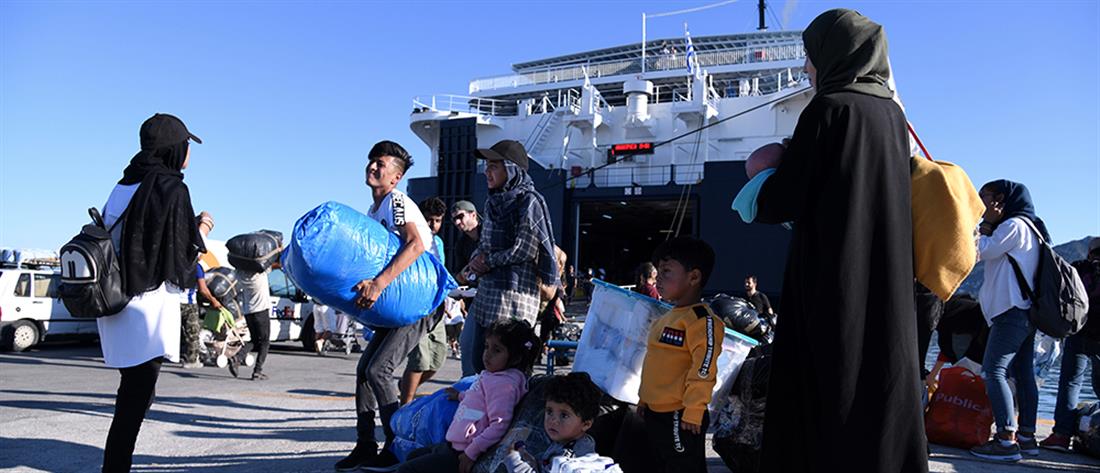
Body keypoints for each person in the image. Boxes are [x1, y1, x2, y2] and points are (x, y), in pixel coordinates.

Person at [748, 10, 928, 472]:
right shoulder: (891, 115)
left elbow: (783, 201)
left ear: (833, 55)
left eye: (810, 58)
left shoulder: (829, 108)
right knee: (877, 375)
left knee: (825, 379)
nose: (807, 68)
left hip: (832, 272)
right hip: (885, 275)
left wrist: (761, 175)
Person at [98, 113, 205, 472]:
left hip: (116, 300)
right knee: (134, 398)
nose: (189, 151)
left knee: (133, 392)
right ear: (174, 148)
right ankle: (115, 468)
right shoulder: (172, 188)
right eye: (187, 144)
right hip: (147, 303)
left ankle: (117, 464)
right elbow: (180, 256)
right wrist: (201, 227)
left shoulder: (123, 184)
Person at [336, 140, 440, 471]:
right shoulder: (373, 211)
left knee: (378, 370)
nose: (373, 166)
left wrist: (379, 283)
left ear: (395, 178)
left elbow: (416, 244)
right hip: (399, 301)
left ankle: (397, 446)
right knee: (365, 372)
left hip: (421, 300)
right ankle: (365, 444)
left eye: (381, 164)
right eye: (372, 161)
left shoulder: (396, 202)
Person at [461, 140, 558, 377]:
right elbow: (484, 244)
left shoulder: (529, 201)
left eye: (494, 166)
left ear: (511, 169)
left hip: (512, 298)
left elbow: (524, 249)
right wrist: (475, 261)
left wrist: (488, 262)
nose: (487, 171)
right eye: (487, 165)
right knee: (473, 359)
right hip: (487, 295)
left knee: (507, 370)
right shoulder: (492, 201)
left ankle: (504, 414)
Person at [965, 179, 1046, 462]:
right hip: (1025, 313)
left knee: (992, 371)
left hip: (1011, 312)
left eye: (983, 196)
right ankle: (1026, 437)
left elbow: (979, 251)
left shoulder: (1014, 226)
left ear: (1000, 199)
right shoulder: (1032, 229)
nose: (979, 202)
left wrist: (984, 225)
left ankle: (1005, 441)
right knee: (1023, 375)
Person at [395, 319, 542, 473]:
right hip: (454, 445)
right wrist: (461, 396)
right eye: (487, 347)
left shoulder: (503, 385)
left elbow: (499, 425)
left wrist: (471, 454)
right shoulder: (494, 376)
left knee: (406, 470)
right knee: (413, 456)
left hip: (463, 453)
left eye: (497, 350)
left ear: (515, 358)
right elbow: (480, 400)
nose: (487, 354)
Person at [636, 237, 724, 473]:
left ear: (693, 277)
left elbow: (704, 370)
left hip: (681, 416)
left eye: (666, 272)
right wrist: (644, 399)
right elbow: (655, 363)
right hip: (655, 413)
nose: (658, 279)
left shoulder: (701, 322)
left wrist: (694, 410)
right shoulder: (666, 317)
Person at [1040, 238, 1100, 451]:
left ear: (1090, 252)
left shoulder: (1079, 268)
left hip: (1078, 330)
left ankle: (1061, 436)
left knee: (1070, 382)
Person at [398, 197, 451, 405]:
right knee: (419, 360)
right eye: (429, 220)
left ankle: (404, 386)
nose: (433, 225)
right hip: (417, 305)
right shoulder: (410, 239)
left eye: (437, 220)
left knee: (437, 359)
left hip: (436, 306)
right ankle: (405, 406)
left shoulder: (438, 243)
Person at [504, 372, 600, 472]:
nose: (553, 420)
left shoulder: (571, 459)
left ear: (586, 424)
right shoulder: (568, 441)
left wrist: (513, 461)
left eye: (564, 415)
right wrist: (533, 462)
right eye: (549, 411)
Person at [181, 212, 219, 369]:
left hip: (170, 299)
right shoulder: (196, 267)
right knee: (192, 332)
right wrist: (214, 301)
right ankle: (192, 360)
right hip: (187, 302)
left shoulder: (178, 258)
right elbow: (203, 289)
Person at [231, 262, 272, 381]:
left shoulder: (241, 275)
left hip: (248, 312)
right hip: (261, 311)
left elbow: (237, 268)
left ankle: (237, 358)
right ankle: (257, 371)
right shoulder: (261, 275)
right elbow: (270, 261)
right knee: (265, 342)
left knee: (255, 340)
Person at [450, 200, 482, 278]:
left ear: (473, 215)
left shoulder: (490, 231)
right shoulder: (461, 244)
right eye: (454, 219)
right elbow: (458, 274)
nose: (457, 222)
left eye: (460, 216)